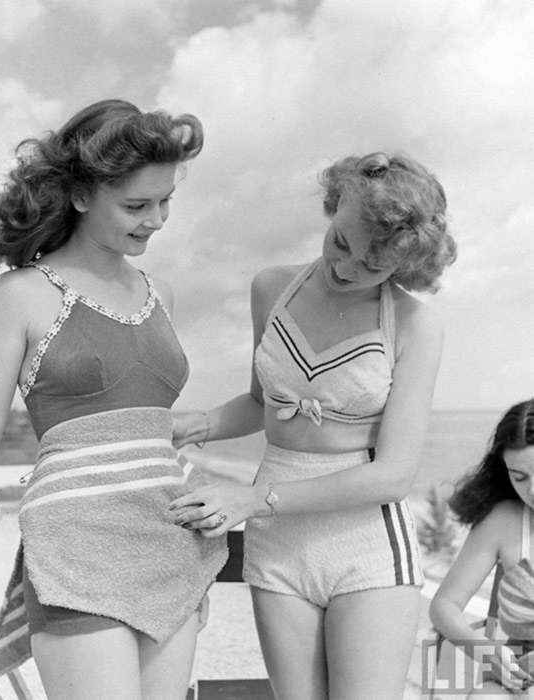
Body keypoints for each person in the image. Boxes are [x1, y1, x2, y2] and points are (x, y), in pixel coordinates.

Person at [0, 99, 226, 700]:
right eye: (136, 205)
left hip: (169, 537)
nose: (156, 220)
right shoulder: (21, 293)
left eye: (165, 202)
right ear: (81, 195)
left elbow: (149, 422)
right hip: (75, 544)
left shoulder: (160, 292)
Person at [170, 152, 457, 699]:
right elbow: (262, 403)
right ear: (334, 207)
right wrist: (196, 424)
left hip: (366, 541)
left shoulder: (417, 324)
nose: (346, 268)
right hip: (278, 542)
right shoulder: (271, 289)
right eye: (341, 243)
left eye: (374, 265)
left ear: (405, 263)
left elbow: (394, 475)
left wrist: (252, 499)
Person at [430, 400, 534, 698]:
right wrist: (486, 652)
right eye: (519, 477)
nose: (532, 490)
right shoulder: (504, 521)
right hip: (518, 678)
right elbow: (444, 606)